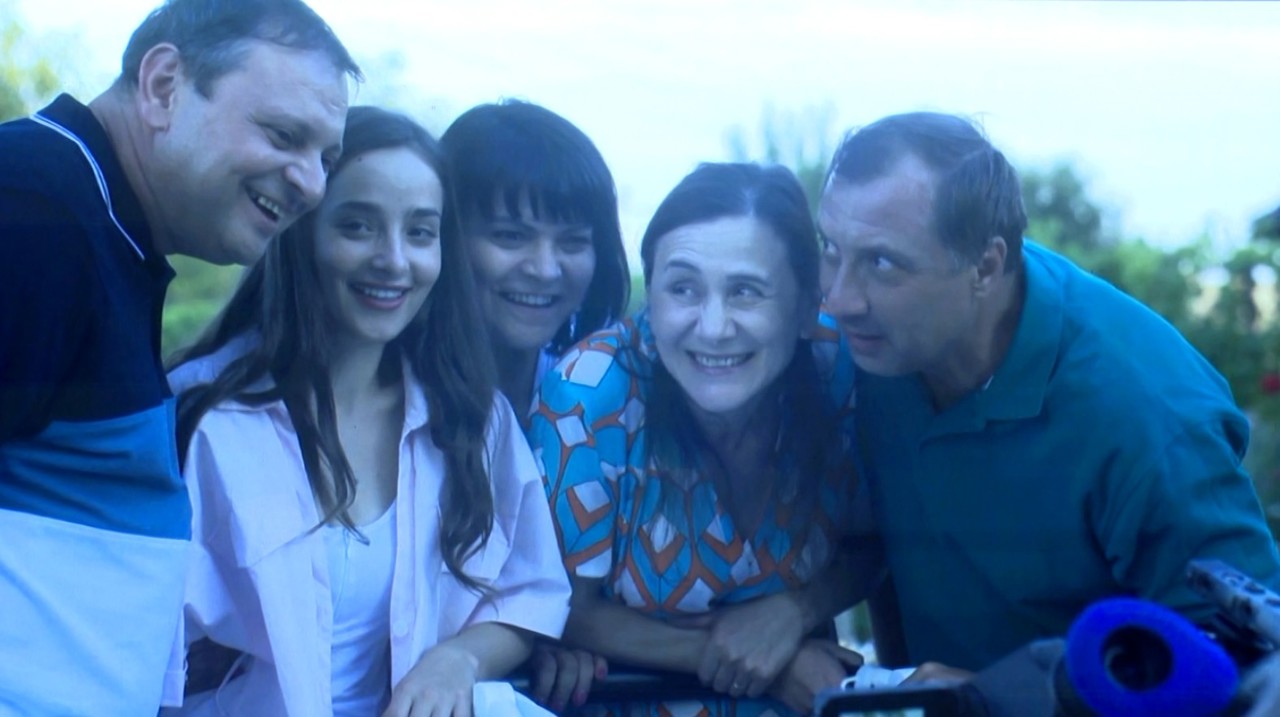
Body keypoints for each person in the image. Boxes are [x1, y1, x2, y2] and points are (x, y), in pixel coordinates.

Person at [816, 111, 1280, 671]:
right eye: (830, 249)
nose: (838, 299)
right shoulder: (863, 344)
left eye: (881, 262)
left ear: (986, 267)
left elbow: (1250, 665)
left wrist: (1007, 699)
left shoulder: (1145, 418)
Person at [0, 0, 357, 713]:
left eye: (326, 159)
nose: (313, 185)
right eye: (284, 135)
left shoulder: (97, 221)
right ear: (164, 87)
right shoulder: (31, 209)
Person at [163, 107, 571, 716]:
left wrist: (459, 659)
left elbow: (529, 592)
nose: (394, 260)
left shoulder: (471, 419)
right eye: (358, 226)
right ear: (301, 233)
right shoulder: (204, 417)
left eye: (421, 232)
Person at [531, 162, 880, 716]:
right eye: (683, 289)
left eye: (745, 291)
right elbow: (557, 605)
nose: (713, 327)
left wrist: (796, 611)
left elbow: (878, 542)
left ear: (806, 307)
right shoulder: (589, 397)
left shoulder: (841, 371)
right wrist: (753, 660)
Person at [439, 100, 630, 416]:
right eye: (511, 236)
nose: (545, 270)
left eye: (572, 242)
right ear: (444, 236)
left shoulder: (612, 402)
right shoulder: (387, 404)